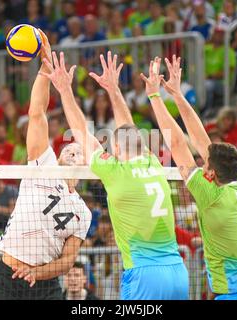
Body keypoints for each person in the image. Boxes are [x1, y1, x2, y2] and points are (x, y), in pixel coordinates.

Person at [41, 51, 188, 300]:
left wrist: (65, 89)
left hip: (144, 275)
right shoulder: (153, 162)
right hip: (178, 272)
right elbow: (127, 129)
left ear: (117, 149)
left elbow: (81, 133)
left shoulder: (115, 172)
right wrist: (113, 90)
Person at [143, 55, 237, 300]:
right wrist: (177, 95)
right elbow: (204, 143)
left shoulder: (211, 195)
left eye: (205, 164)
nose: (201, 165)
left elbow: (178, 143)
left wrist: (154, 96)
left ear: (211, 173)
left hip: (235, 294)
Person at [0, 34, 92, 300]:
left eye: (79, 151)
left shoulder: (83, 212)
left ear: (86, 165)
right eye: (68, 149)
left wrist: (38, 273)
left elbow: (69, 259)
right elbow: (37, 113)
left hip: (44, 283)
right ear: (57, 158)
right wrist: (46, 66)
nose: (73, 151)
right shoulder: (42, 165)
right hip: (9, 276)